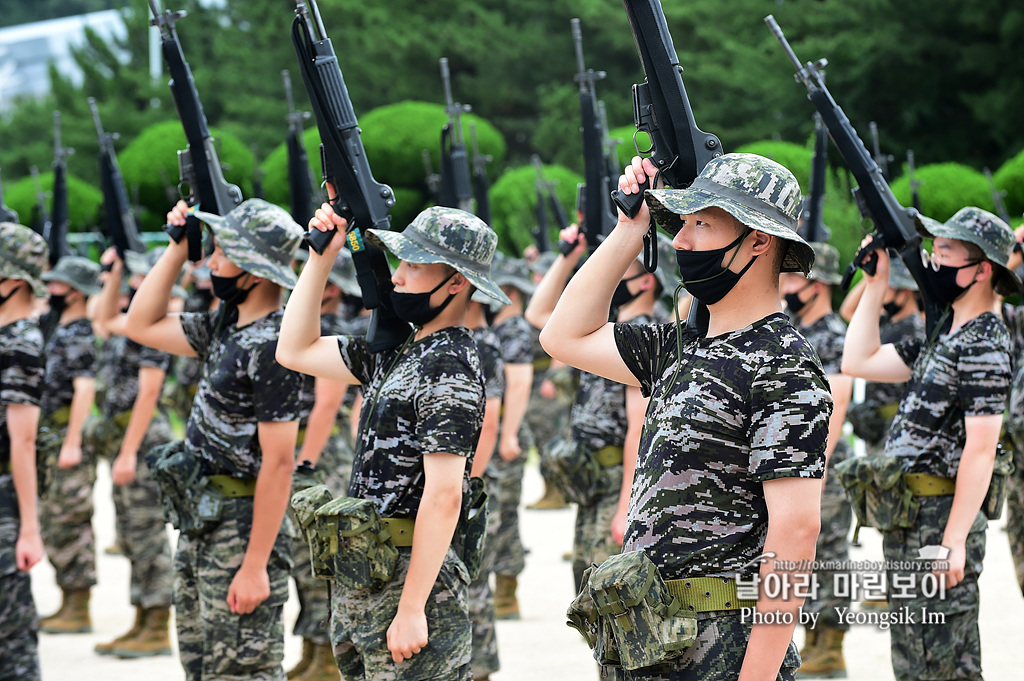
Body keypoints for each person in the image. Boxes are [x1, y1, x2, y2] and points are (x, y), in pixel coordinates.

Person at [541, 153, 830, 681]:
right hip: (647, 635)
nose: (680, 241)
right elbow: (562, 336)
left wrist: (759, 677)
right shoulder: (678, 347)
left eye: (701, 224)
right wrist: (630, 231)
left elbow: (796, 532)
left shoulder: (782, 363)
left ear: (759, 240)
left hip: (723, 646)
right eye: (682, 224)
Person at [276, 200, 510, 681]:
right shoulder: (400, 350)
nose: (398, 276)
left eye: (415, 265)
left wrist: (411, 608)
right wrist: (322, 257)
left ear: (456, 283)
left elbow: (444, 495)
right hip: (367, 574)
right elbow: (294, 349)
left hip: (410, 581)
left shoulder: (450, 363)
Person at [125, 198, 306, 680]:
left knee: (244, 670)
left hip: (242, 526)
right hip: (201, 520)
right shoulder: (225, 326)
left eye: (224, 252)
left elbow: (280, 462)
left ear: (253, 269)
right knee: (203, 668)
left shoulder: (273, 344)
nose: (212, 262)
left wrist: (255, 565)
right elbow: (139, 323)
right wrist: (176, 250)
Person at [842, 207, 1017, 681]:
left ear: (983, 271)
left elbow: (982, 447)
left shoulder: (984, 341)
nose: (934, 262)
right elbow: (858, 359)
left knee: (944, 663)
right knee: (914, 661)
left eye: (946, 254)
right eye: (934, 252)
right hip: (910, 518)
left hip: (939, 521)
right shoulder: (942, 334)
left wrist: (954, 541)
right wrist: (876, 285)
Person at [89, 247, 176, 658]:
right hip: (127, 440)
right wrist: (116, 272)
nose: (136, 282)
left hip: (143, 441)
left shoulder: (156, 325)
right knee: (129, 530)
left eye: (143, 275)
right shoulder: (131, 319)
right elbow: (102, 321)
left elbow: (150, 391)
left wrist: (127, 452)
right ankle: (141, 616)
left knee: (146, 530)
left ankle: (157, 623)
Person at [779, 241, 854, 678]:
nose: (786, 285)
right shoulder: (791, 328)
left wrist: (818, 467)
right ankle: (806, 637)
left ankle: (832, 644)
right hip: (793, 460)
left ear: (818, 283)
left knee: (828, 554)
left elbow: (839, 400)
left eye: (794, 277)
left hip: (822, 460)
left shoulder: (833, 335)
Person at [286, 250, 361, 681]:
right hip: (308, 452)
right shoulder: (315, 328)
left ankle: (327, 657)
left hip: (319, 454)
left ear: (332, 288)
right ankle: (312, 648)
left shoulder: (333, 331)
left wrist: (305, 461)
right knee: (302, 560)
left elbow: (327, 403)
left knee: (319, 562)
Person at [37, 255, 101, 635]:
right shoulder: (57, 325)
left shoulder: (79, 331)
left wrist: (73, 441)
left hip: (66, 436)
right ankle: (68, 599)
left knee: (70, 519)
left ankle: (78, 605)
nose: (51, 290)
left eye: (58, 285)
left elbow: (84, 388)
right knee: (55, 520)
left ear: (75, 292)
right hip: (53, 436)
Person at [0, 222, 49, 680]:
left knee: (10, 638)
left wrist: (29, 529)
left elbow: (24, 440)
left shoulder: (21, 343)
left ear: (13, 280)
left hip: (4, 507)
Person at [486, 256, 536, 620]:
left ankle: (506, 590)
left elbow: (519, 385)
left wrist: (508, 435)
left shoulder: (515, 328)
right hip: (492, 429)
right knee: (497, 512)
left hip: (505, 431)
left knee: (502, 515)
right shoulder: (498, 327)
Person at [465, 290, 506, 681]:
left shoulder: (485, 347)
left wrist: (469, 484)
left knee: (474, 578)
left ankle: (481, 668)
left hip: (472, 481)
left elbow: (489, 422)